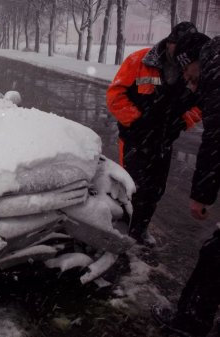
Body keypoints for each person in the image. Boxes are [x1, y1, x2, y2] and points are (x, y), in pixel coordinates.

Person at [106, 22, 202, 246]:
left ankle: (140, 231)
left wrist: (181, 122)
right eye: (178, 49)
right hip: (134, 141)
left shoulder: (191, 70)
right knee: (131, 189)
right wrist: (137, 120)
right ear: (169, 43)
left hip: (163, 142)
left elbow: (200, 105)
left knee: (155, 191)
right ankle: (123, 231)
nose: (181, 56)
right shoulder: (139, 60)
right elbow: (114, 96)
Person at [152, 33, 220, 337]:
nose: (186, 78)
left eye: (186, 71)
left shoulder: (216, 71)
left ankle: (190, 323)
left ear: (193, 61)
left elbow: (216, 138)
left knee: (215, 256)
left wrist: (201, 194)